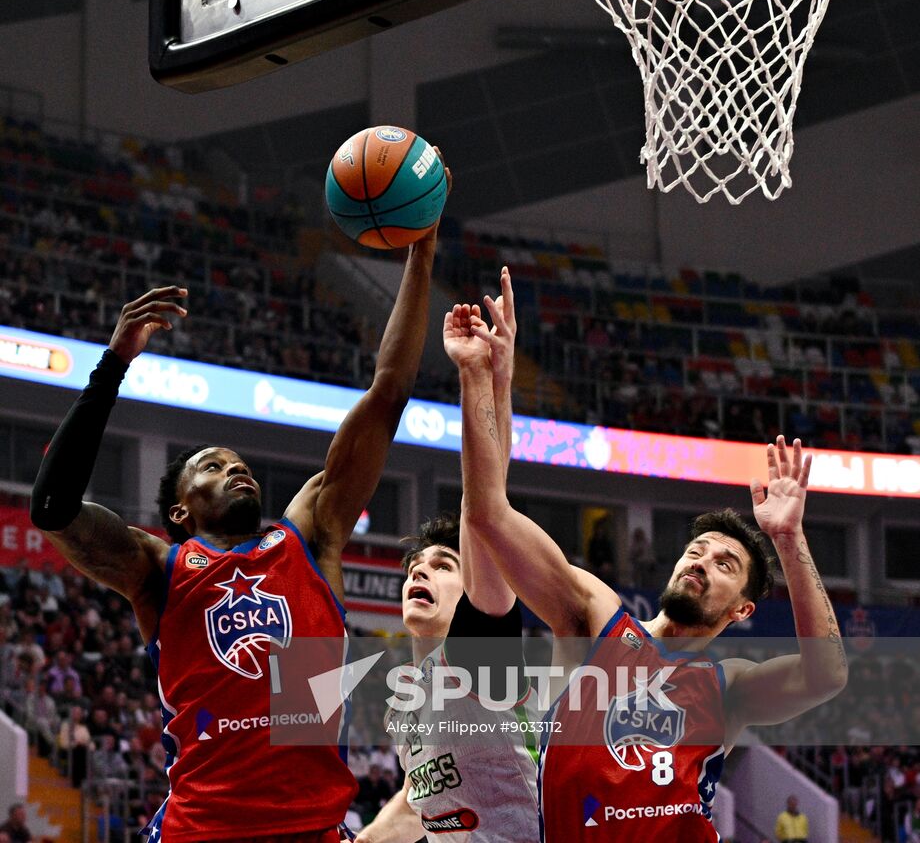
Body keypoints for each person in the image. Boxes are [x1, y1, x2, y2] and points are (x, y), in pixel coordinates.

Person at [29, 197, 444, 843]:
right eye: (213, 467)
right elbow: (52, 509)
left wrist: (421, 250)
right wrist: (113, 366)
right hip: (203, 830)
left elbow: (388, 392)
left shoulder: (312, 533)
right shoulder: (157, 569)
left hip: (311, 829)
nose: (236, 469)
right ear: (178, 509)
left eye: (239, 463)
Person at [453, 270, 848, 843]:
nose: (700, 563)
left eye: (724, 565)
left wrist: (789, 539)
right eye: (696, 550)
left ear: (741, 610)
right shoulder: (594, 617)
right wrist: (489, 378)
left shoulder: (726, 688)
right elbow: (487, 512)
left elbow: (828, 674)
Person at [356, 267, 539, 843]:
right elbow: (413, 806)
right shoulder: (407, 699)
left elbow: (485, 508)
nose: (422, 572)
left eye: (443, 565)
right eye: (415, 566)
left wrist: (483, 380)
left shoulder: (480, 666)